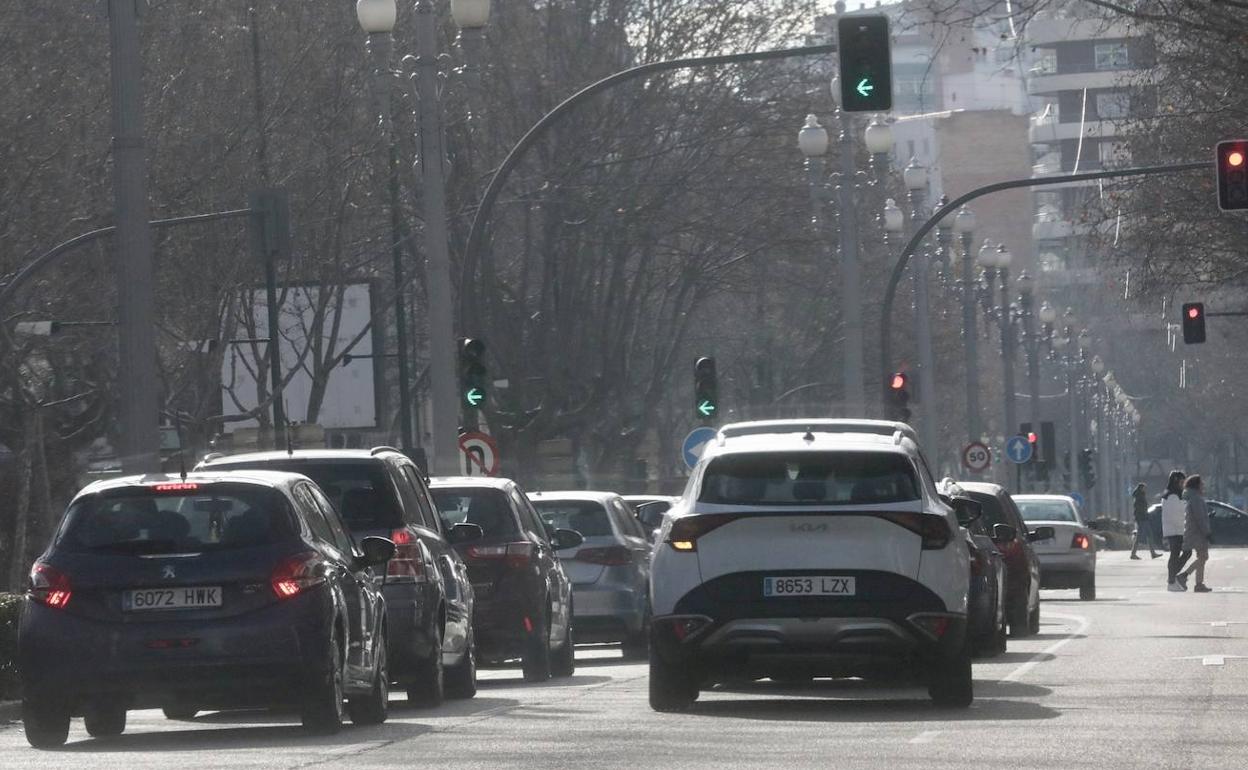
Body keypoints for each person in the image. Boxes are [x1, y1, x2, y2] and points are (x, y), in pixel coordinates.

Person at [1177, 475, 1213, 593]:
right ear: (1197, 485)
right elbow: (1200, 518)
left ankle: (1199, 584)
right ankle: (1184, 575)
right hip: (1197, 533)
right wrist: (1207, 533)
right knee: (1203, 557)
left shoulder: (1193, 497)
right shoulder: (1196, 499)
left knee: (1202, 557)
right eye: (1201, 483)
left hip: (1195, 532)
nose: (1203, 485)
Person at [1162, 470, 1191, 591]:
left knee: (1182, 553)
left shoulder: (1177, 494)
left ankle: (1172, 579)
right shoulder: (1172, 495)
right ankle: (1171, 580)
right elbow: (1176, 514)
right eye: (1181, 482)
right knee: (1177, 554)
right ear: (1175, 482)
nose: (1183, 484)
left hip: (1177, 529)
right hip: (1175, 530)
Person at [1129, 482, 1162, 560]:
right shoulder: (1139, 497)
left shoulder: (1140, 496)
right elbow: (1139, 510)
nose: (1145, 490)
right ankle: (1133, 554)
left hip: (1144, 519)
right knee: (1139, 537)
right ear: (1141, 488)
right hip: (1142, 519)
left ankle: (1152, 553)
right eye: (1144, 488)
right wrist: (1143, 517)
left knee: (1149, 535)